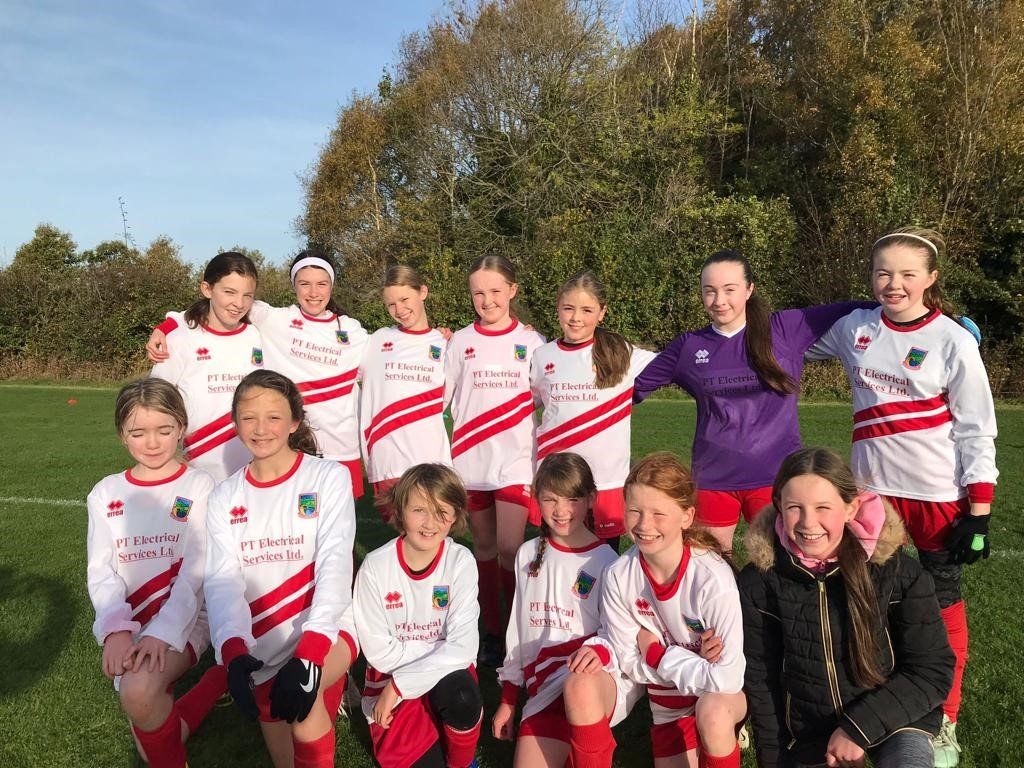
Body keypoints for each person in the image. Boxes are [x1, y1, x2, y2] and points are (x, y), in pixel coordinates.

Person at [805, 227, 997, 767]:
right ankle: (866, 696)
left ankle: (944, 718)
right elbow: (793, 341)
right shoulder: (855, 327)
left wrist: (979, 511)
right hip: (870, 496)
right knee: (865, 597)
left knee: (941, 604)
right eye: (883, 273)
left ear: (930, 278)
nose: (894, 284)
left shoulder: (953, 340)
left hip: (937, 497)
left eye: (908, 274)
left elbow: (977, 428)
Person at [633, 250, 871, 552]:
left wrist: (915, 318)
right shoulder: (689, 346)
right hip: (713, 478)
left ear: (749, 289)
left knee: (778, 564)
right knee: (712, 565)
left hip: (777, 476)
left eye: (729, 289)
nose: (719, 300)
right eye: (709, 291)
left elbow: (853, 309)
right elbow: (632, 390)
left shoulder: (785, 328)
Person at [739, 447, 955, 768]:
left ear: (851, 508)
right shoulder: (759, 581)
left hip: (896, 720)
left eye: (823, 507)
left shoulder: (896, 571)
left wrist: (856, 729)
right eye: (795, 507)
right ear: (779, 506)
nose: (808, 522)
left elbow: (931, 670)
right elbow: (761, 682)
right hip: (812, 732)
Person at [203, 370, 357, 768]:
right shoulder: (223, 497)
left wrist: (311, 651)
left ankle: (332, 682)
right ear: (235, 422)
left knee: (304, 709)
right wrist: (233, 651)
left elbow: (336, 562)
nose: (261, 428)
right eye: (249, 417)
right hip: (263, 646)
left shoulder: (329, 477)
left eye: (273, 417)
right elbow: (222, 583)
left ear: (294, 422)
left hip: (328, 630)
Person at [568, 452, 747, 768]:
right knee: (578, 682)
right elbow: (627, 661)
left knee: (714, 714)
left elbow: (728, 679)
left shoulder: (712, 579)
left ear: (687, 517)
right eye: (634, 511)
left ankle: (724, 735)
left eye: (658, 514)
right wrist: (695, 661)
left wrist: (656, 654)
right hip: (667, 702)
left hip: (718, 700)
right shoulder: (619, 575)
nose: (644, 525)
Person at [148, 250, 369, 497]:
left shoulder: (259, 334)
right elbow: (154, 404)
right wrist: (166, 326)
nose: (314, 292)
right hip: (205, 459)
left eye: (322, 284)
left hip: (281, 454)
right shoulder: (270, 321)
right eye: (305, 284)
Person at [86, 379, 225, 768]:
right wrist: (116, 631)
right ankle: (221, 680)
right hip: (131, 623)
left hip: (188, 616)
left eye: (164, 430)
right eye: (138, 433)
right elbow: (101, 571)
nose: (152, 443)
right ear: (121, 434)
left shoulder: (199, 485)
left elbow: (196, 570)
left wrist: (162, 633)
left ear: (181, 428)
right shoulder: (105, 493)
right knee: (157, 727)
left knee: (138, 693)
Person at [493, 452, 636, 767]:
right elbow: (517, 634)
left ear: (591, 499)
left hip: (592, 682)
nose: (561, 510)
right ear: (537, 499)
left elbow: (621, 636)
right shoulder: (527, 555)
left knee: (579, 687)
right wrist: (508, 700)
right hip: (543, 690)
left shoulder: (608, 563)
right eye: (550, 499)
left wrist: (599, 653)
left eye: (572, 499)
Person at [444, 254, 545, 665]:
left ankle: (518, 630)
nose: (487, 301)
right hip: (470, 463)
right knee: (483, 548)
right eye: (478, 293)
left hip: (515, 462)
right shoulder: (459, 341)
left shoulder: (533, 343)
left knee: (510, 548)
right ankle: (490, 631)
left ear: (512, 290)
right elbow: (440, 396)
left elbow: (551, 396)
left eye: (495, 291)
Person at [353, 463, 483, 768]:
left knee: (462, 696)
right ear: (400, 511)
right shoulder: (375, 567)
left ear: (456, 516)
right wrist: (439, 652)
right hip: (391, 675)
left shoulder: (460, 561)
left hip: (430, 680)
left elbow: (464, 647)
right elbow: (379, 651)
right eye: (419, 510)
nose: (430, 523)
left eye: (442, 512)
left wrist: (401, 685)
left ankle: (462, 764)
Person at [530, 271, 657, 547]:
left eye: (587, 310)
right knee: (558, 553)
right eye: (568, 308)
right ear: (557, 308)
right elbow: (528, 401)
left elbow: (674, 363)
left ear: (602, 312)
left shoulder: (622, 352)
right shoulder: (542, 355)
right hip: (557, 479)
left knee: (602, 558)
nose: (576, 318)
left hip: (605, 481)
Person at [149, 250, 262, 482]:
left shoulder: (256, 335)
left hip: (253, 467)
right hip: (197, 467)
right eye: (229, 292)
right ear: (207, 289)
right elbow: (155, 403)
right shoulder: (179, 340)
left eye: (247, 295)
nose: (239, 303)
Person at [360, 265, 451, 522]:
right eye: (391, 304)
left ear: (423, 292)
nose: (399, 310)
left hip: (431, 461)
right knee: (403, 535)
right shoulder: (377, 340)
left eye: (404, 299)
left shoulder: (447, 344)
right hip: (388, 461)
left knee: (432, 531)